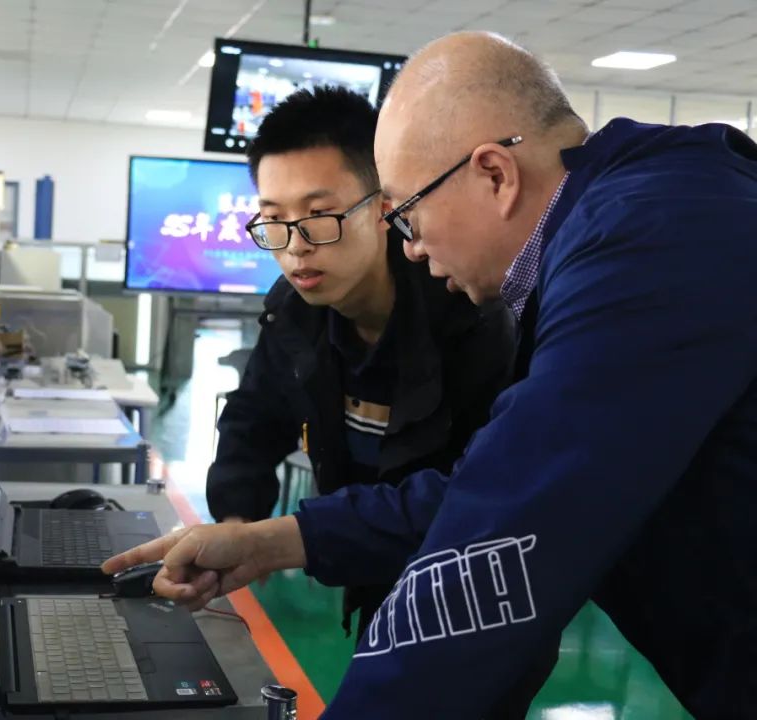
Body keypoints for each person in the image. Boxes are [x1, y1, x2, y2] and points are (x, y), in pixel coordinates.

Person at [106, 31, 757, 718]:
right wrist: (271, 540)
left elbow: (503, 523)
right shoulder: (632, 220)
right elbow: (487, 482)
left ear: (495, 175)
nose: (411, 246)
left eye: (406, 212)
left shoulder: (643, 244)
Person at [205, 86, 515, 642]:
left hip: (476, 589)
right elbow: (254, 417)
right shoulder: (294, 313)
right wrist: (236, 519)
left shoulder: (469, 314)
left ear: (383, 208)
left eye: (319, 215)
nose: (295, 247)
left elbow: (479, 494)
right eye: (273, 219)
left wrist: (280, 542)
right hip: (372, 567)